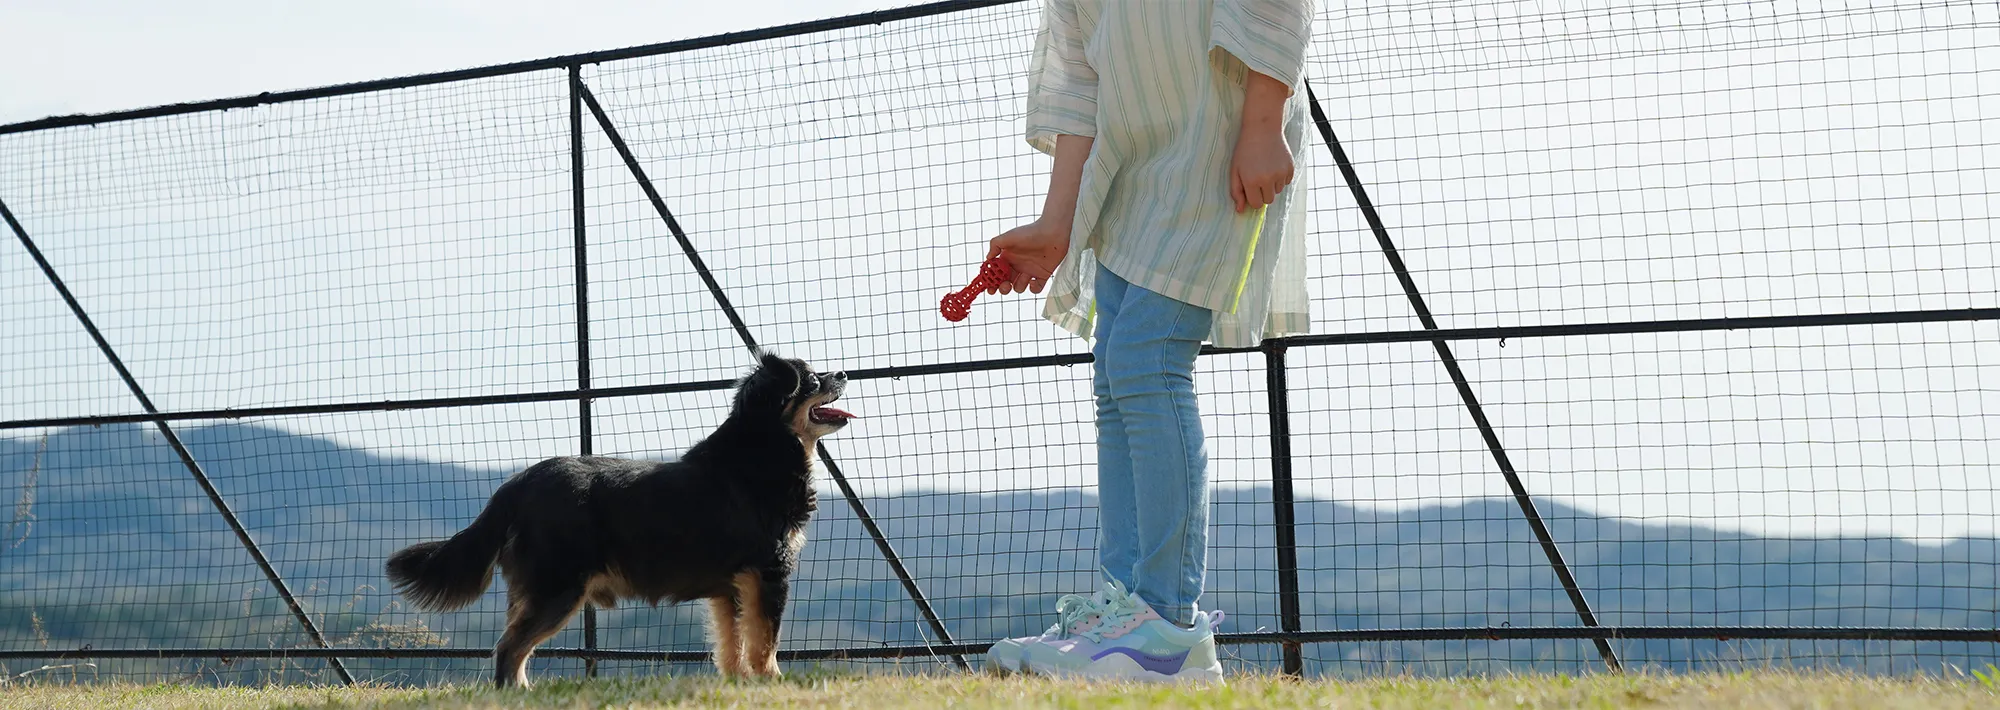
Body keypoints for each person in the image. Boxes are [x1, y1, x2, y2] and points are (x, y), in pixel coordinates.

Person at [979, 0, 1316, 683]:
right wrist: (1057, 221)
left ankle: (1166, 628)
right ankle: (1124, 615)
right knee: (1115, 372)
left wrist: (1262, 120)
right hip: (1129, 163)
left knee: (1148, 359)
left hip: (1219, 137)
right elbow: (1079, 80)